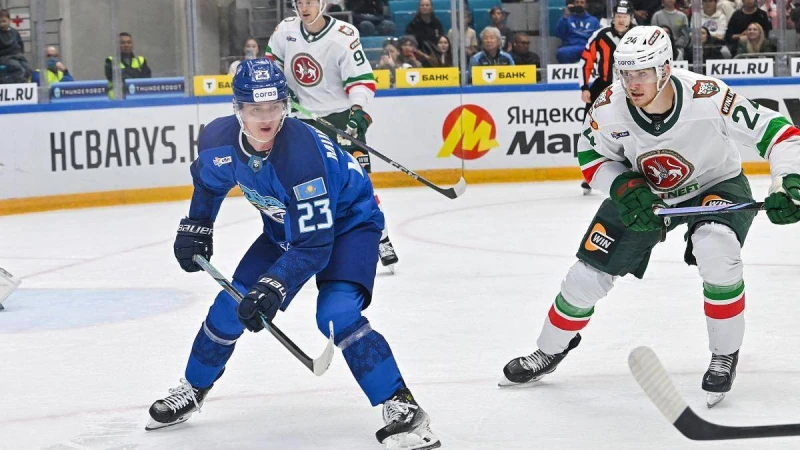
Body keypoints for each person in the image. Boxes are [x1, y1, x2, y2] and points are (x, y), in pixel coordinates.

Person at [145, 59, 441, 450]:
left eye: (274, 107)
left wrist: (274, 285)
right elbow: (209, 182)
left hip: (348, 226)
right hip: (285, 230)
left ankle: (401, 405)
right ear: (238, 109)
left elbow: (315, 246)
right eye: (255, 109)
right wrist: (198, 224)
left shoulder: (302, 157)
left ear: (285, 106)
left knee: (336, 314)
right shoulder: (217, 139)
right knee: (229, 306)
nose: (266, 118)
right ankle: (193, 387)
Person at [500, 26, 800, 410]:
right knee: (585, 277)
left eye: (642, 73)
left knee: (717, 250)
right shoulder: (608, 107)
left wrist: (788, 182)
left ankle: (724, 355)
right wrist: (623, 187)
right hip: (646, 193)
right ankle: (549, 350)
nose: (632, 83)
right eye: (626, 73)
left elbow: (778, 133)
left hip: (716, 184)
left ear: (665, 69)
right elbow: (592, 159)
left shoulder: (708, 96)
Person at [265, 0, 400, 270]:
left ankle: (381, 236)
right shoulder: (285, 31)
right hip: (302, 122)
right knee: (303, 187)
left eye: (310, 2)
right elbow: (271, 67)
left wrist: (357, 110)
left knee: (360, 185)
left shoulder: (344, 36)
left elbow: (361, 79)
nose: (304, 8)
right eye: (299, 2)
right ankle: (303, 242)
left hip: (340, 118)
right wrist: (279, 88)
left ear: (322, 3)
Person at [578, 0, 633, 195]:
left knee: (632, 128)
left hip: (631, 88)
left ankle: (633, 168)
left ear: (630, 18)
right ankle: (593, 172)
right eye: (618, 16)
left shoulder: (637, 36)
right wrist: (585, 87)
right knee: (591, 129)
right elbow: (586, 61)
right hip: (602, 87)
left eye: (624, 16)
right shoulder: (601, 35)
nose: (621, 20)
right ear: (613, 18)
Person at [104, 32, 151, 96]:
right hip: (117, 99)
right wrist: (137, 74)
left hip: (138, 97)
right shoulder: (110, 61)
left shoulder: (141, 61)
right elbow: (118, 78)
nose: (126, 45)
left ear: (132, 45)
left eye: (129, 42)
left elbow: (146, 80)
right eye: (122, 43)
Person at [0, 9, 30, 84]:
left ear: (9, 20)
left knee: (27, 69)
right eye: (0, 22)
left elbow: (20, 44)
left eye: (4, 21)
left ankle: (23, 83)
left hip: (17, 56)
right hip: (5, 57)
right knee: (18, 69)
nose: (2, 24)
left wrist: (20, 54)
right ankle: (18, 85)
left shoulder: (14, 32)